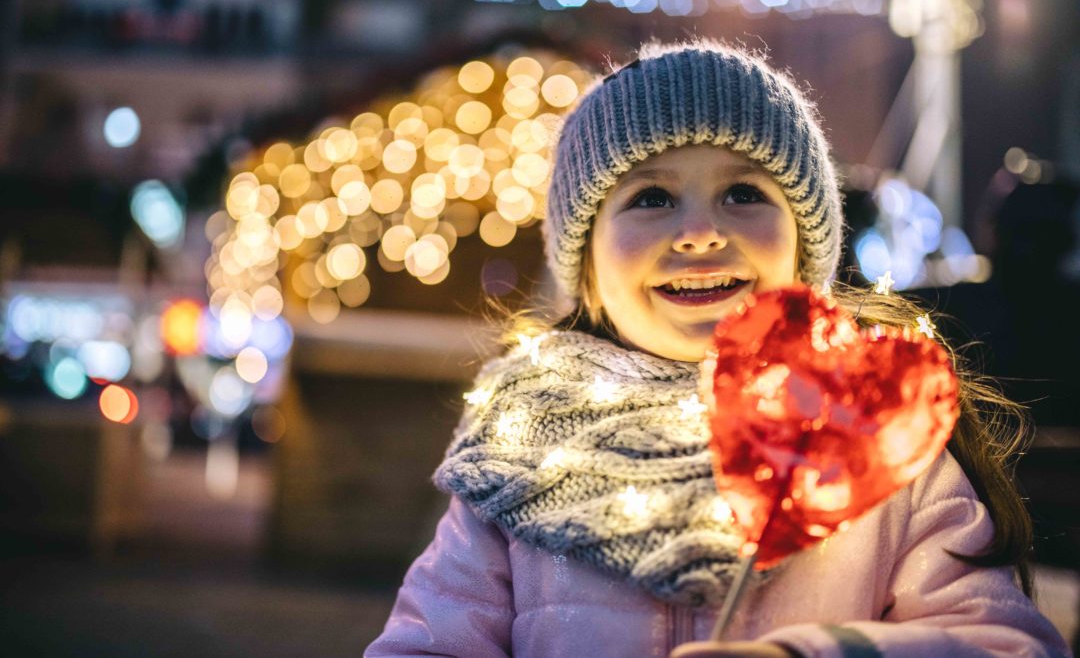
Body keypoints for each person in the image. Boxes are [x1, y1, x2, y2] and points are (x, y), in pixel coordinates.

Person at [365, 38, 1069, 657]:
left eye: (742, 192)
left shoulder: (873, 429)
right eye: (650, 199)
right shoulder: (519, 456)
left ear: (805, 244)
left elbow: (1004, 644)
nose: (699, 232)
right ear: (586, 273)